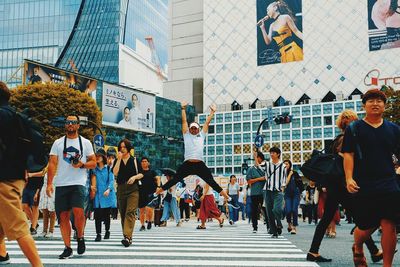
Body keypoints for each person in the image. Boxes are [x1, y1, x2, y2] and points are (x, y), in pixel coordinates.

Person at [342, 89, 400, 267]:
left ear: (384, 105)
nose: (375, 104)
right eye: (371, 101)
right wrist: (349, 178)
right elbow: (348, 155)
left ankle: (387, 265)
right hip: (363, 183)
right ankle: (358, 246)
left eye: (379, 101)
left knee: (389, 223)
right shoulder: (355, 128)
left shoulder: (394, 129)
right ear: (364, 105)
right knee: (366, 226)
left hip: (389, 182)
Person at [0, 81, 42, 266]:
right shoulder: (17, 118)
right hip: (16, 176)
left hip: (3, 179)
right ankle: (2, 255)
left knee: (17, 225)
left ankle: (38, 265)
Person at [155, 102, 231, 201]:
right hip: (188, 164)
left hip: (199, 164)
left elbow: (207, 123)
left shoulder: (202, 135)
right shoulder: (186, 135)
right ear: (190, 129)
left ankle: (228, 199)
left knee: (211, 181)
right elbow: (184, 121)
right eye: (192, 128)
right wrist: (182, 109)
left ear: (198, 129)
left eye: (196, 128)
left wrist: (212, 112)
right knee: (174, 180)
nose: (194, 130)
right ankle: (155, 194)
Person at [46, 115, 96, 259]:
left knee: (79, 211)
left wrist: (83, 165)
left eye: (73, 122)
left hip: (78, 182)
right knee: (63, 217)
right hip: (61, 183)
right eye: (68, 122)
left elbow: (93, 162)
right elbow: (52, 164)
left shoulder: (86, 143)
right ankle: (68, 247)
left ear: (78, 125)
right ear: (65, 125)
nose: (70, 124)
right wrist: (49, 184)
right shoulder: (58, 143)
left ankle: (80, 236)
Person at [113, 138, 143, 247]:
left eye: (124, 147)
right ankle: (127, 237)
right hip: (121, 188)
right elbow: (115, 173)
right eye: (121, 147)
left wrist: (134, 177)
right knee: (123, 211)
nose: (122, 149)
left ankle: (127, 236)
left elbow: (141, 174)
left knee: (130, 211)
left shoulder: (134, 160)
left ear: (129, 148)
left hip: (133, 189)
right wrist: (119, 160)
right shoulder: (118, 160)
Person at [92, 148, 116, 242]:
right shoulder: (94, 169)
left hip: (106, 195)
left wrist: (109, 189)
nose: (97, 158)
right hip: (97, 195)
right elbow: (91, 179)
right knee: (97, 215)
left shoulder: (109, 168)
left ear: (103, 157)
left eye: (99, 156)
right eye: (96, 156)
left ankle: (107, 231)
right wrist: (91, 187)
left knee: (106, 215)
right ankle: (98, 234)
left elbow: (111, 180)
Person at [263, 146, 287, 238]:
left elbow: (284, 179)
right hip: (267, 190)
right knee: (269, 212)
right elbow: (258, 166)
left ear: (278, 154)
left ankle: (279, 221)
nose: (271, 154)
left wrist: (282, 190)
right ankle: (274, 232)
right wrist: (255, 154)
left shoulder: (283, 166)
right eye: (271, 153)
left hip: (278, 191)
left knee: (277, 209)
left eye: (273, 153)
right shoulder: (267, 164)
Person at [246, 151, 267, 233]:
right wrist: (258, 179)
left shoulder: (264, 168)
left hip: (263, 193)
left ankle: (269, 226)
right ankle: (255, 227)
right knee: (254, 211)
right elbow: (249, 181)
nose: (260, 161)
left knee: (265, 210)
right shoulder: (250, 169)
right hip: (254, 193)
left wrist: (258, 179)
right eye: (259, 158)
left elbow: (266, 178)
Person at [138, 157, 160, 231]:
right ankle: (142, 225)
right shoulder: (139, 172)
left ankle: (150, 221)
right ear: (141, 163)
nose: (144, 163)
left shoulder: (152, 172)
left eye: (145, 161)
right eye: (142, 161)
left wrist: (158, 186)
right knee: (141, 210)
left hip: (151, 193)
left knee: (149, 209)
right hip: (141, 193)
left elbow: (158, 178)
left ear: (148, 163)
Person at [23, 169, 45, 236]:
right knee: (24, 205)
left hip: (36, 186)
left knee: (34, 206)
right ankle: (34, 222)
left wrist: (31, 174)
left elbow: (43, 172)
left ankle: (33, 227)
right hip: (26, 186)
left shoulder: (42, 160)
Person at [283, 159, 302, 235]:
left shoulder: (295, 173)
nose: (286, 165)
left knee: (294, 209)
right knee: (288, 210)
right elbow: (284, 184)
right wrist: (289, 175)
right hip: (287, 194)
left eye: (287, 164)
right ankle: (289, 224)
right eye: (284, 164)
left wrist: (300, 192)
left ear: (290, 165)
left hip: (295, 194)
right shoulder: (282, 174)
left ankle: (294, 227)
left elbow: (300, 183)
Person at [38, 167, 56, 238]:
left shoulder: (59, 170)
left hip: (54, 189)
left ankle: (51, 231)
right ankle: (44, 230)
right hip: (44, 189)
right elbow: (41, 176)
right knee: (44, 211)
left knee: (52, 212)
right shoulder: (46, 168)